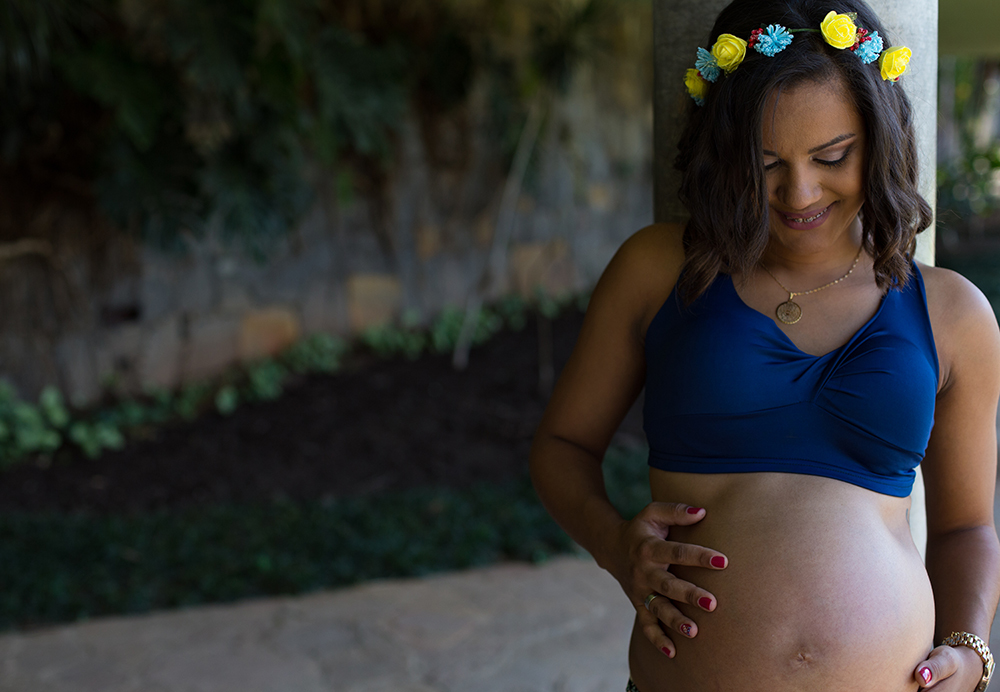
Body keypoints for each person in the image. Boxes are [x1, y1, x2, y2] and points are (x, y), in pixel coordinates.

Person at [529, 1, 1000, 690]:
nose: (799, 191)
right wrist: (614, 544)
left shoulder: (952, 312)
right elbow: (560, 448)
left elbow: (966, 531)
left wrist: (970, 650)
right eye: (766, 162)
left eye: (832, 155)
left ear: (881, 138)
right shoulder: (660, 270)